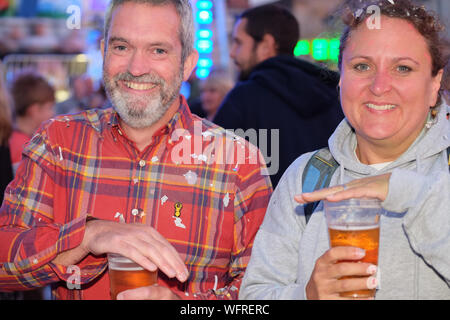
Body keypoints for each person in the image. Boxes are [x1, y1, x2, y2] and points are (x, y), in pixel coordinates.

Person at [0, 0, 272, 300]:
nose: (136, 68)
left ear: (187, 64)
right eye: (121, 47)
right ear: (103, 50)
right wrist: (88, 236)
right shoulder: (56, 141)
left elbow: (261, 296)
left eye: (158, 50)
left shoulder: (239, 163)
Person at [239, 0, 449, 300]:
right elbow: (253, 298)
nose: (379, 86)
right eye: (362, 66)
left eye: (403, 68)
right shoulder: (306, 176)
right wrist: (306, 295)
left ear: (434, 84)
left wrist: (407, 192)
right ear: (340, 78)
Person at [213, 4, 344, 188]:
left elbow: (211, 167)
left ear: (266, 45)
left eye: (239, 42)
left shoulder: (244, 98)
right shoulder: (331, 94)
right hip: (324, 211)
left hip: (264, 214)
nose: (233, 52)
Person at [8, 72, 55, 174]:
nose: (53, 113)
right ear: (34, 110)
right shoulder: (24, 147)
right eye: (50, 107)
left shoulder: (13, 138)